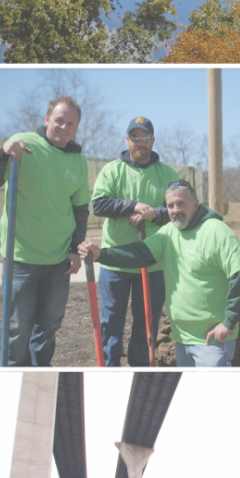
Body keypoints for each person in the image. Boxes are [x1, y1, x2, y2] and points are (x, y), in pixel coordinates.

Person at [78, 181, 240, 367]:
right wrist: (101, 254)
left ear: (195, 203)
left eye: (181, 204)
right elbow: (139, 253)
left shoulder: (216, 232)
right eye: (170, 206)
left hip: (212, 340)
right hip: (181, 338)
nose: (175, 210)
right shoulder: (169, 233)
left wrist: (229, 322)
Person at [0, 95, 89, 367]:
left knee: (48, 327)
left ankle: (41, 374)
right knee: (18, 328)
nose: (64, 128)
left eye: (70, 124)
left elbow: (80, 210)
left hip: (59, 260)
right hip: (21, 258)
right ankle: (15, 375)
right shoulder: (22, 144)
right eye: (59, 121)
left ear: (76, 128)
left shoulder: (77, 161)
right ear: (47, 119)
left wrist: (75, 250)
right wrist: (2, 153)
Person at [91, 117, 178, 366]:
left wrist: (155, 213)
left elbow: (180, 209)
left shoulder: (167, 174)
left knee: (147, 323)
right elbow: (98, 204)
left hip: (153, 264)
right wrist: (132, 205)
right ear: (127, 140)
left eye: (145, 137)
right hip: (115, 262)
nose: (140, 142)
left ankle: (141, 368)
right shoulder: (112, 170)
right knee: (111, 321)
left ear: (152, 140)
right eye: (135, 138)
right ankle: (110, 367)